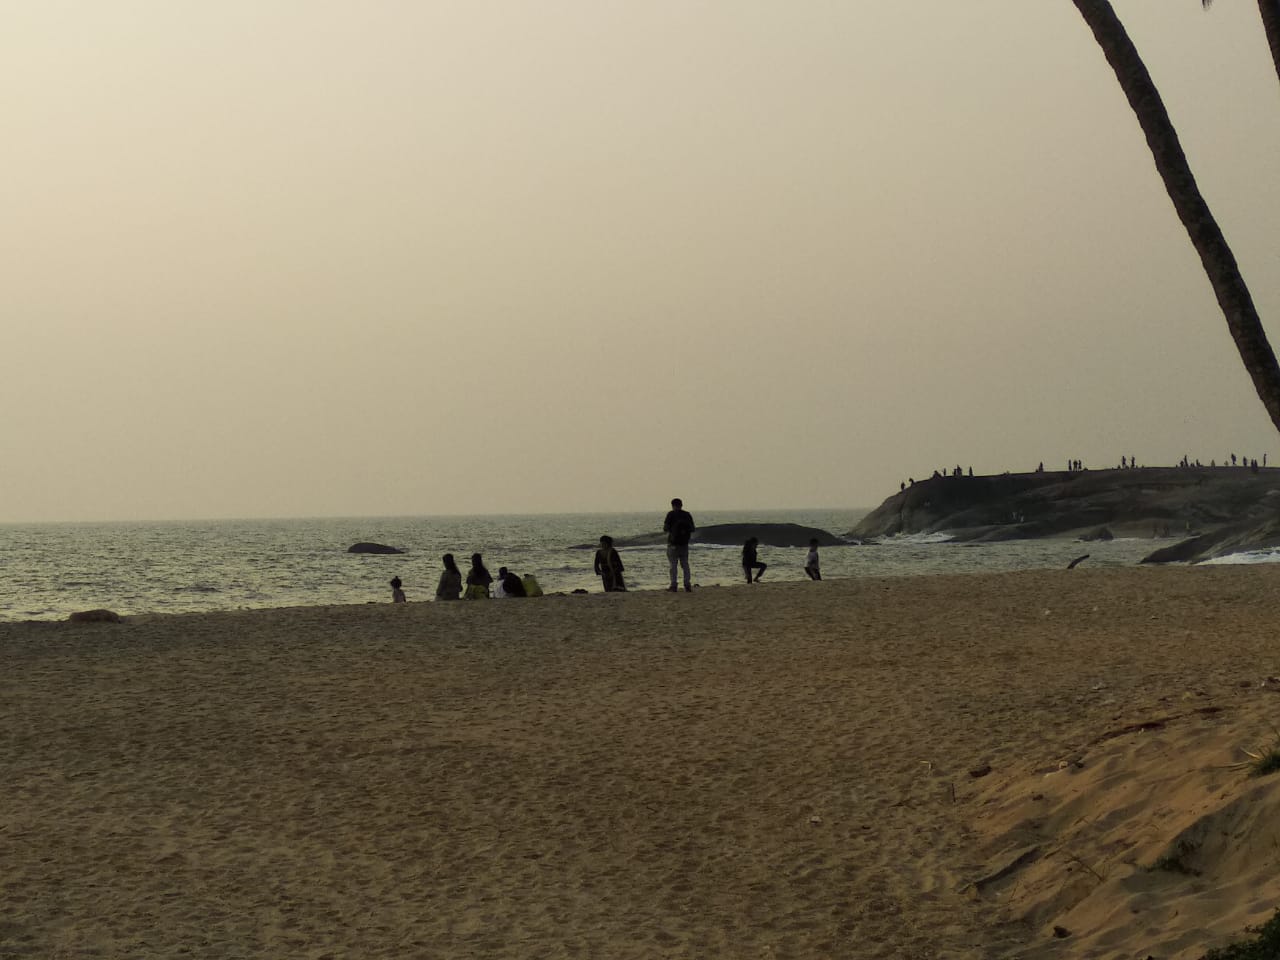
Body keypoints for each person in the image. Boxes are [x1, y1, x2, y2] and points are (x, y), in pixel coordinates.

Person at [663, 498, 696, 592]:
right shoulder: (687, 514)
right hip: (684, 544)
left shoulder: (671, 514)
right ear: (682, 505)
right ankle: (687, 584)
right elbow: (693, 528)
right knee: (685, 565)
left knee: (673, 565)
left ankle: (673, 585)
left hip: (673, 544)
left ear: (672, 505)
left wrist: (672, 530)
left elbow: (665, 528)